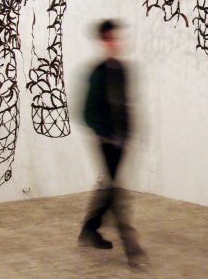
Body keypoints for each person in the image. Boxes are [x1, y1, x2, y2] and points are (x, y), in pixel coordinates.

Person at [79, 20, 146, 267]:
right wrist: (106, 134)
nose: (115, 42)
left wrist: (128, 134)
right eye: (110, 38)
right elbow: (87, 111)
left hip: (121, 142)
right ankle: (132, 248)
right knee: (116, 192)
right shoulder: (98, 72)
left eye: (116, 38)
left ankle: (90, 229)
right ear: (103, 41)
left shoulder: (122, 69)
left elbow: (125, 104)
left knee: (109, 188)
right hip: (106, 141)